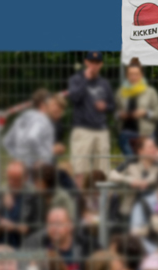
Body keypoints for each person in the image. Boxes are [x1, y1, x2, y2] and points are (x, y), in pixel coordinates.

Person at [67, 51, 115, 185]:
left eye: (97, 63)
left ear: (101, 65)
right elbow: (74, 98)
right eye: (91, 62)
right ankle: (79, 203)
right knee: (79, 169)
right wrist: (86, 80)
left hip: (101, 130)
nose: (94, 66)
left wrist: (105, 107)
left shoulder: (105, 84)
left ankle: (100, 203)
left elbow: (113, 106)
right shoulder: (76, 79)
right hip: (82, 130)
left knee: (102, 171)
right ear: (86, 62)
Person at [0, 161, 40, 248]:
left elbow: (36, 228)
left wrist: (12, 227)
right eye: (9, 178)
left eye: (16, 179)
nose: (11, 182)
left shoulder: (34, 197)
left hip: (25, 250)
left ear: (25, 178)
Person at [116, 59, 158, 157]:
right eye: (131, 74)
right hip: (126, 133)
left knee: (147, 160)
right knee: (132, 162)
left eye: (136, 74)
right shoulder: (121, 92)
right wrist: (120, 115)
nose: (133, 77)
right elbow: (114, 113)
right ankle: (132, 164)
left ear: (141, 75)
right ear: (127, 75)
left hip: (146, 133)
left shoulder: (150, 92)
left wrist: (145, 113)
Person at [3, 89, 57, 170]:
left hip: (20, 169)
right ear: (42, 104)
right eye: (51, 103)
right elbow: (32, 137)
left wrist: (17, 158)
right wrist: (45, 158)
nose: (53, 106)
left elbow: (6, 141)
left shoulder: (22, 118)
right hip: (36, 169)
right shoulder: (42, 119)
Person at [22, 206, 87, 266]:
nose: (54, 228)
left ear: (70, 226)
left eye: (59, 223)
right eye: (50, 224)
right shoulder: (35, 244)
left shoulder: (85, 245)